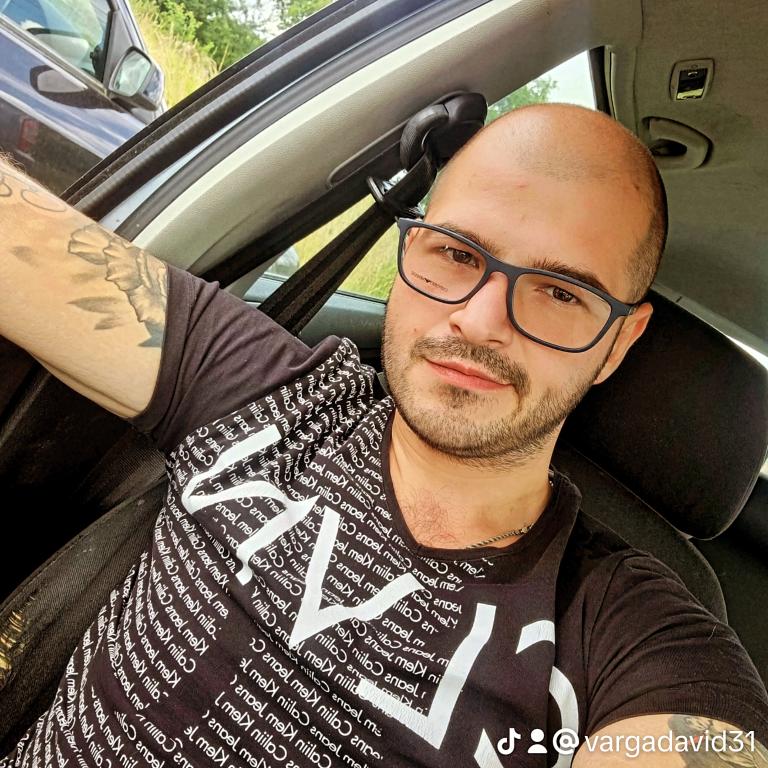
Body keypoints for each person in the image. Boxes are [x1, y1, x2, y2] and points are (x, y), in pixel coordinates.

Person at [0, 103, 766, 768]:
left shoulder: (636, 638)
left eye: (561, 292)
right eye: (456, 253)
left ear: (619, 342)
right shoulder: (264, 391)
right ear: (412, 249)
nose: (480, 321)